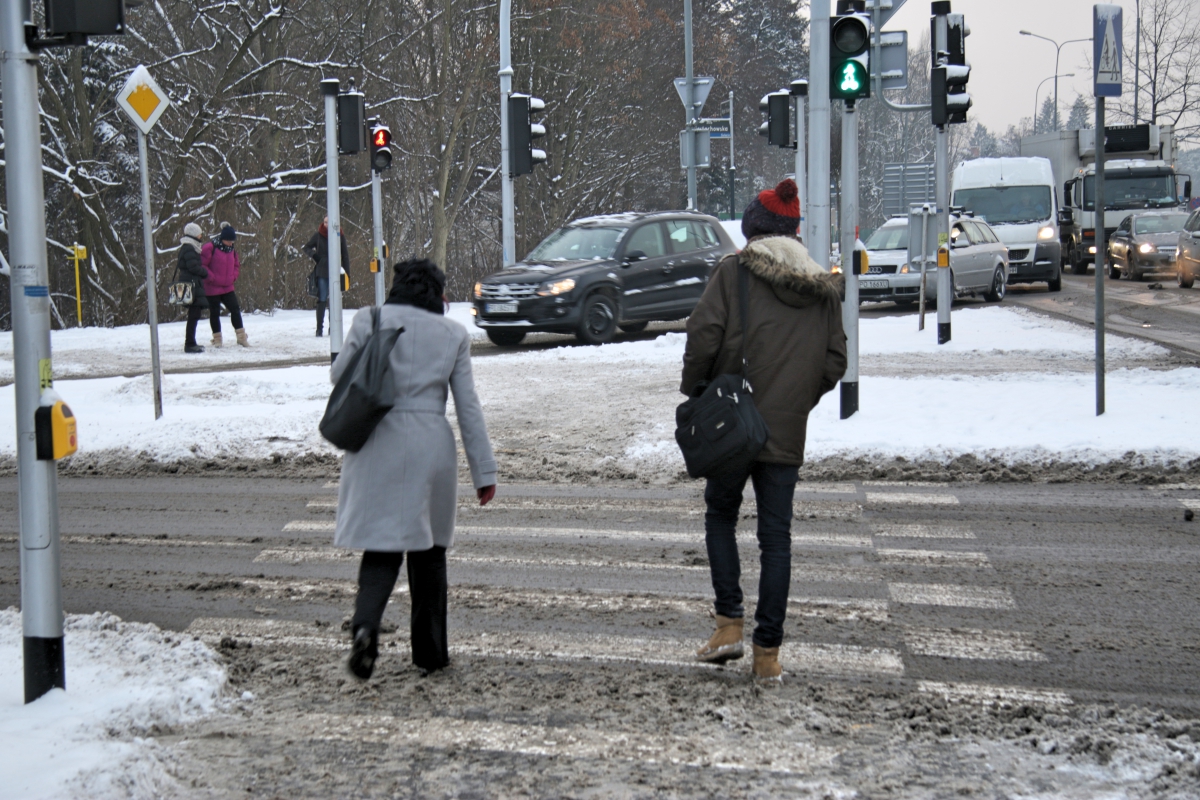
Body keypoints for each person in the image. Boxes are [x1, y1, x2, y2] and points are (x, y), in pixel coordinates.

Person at [681, 178, 847, 685]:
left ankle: (729, 624)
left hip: (733, 423)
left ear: (754, 232)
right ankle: (767, 655)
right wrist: (795, 401)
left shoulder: (733, 273)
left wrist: (697, 389)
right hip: (785, 432)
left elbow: (703, 333)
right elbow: (835, 361)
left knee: (720, 516)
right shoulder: (822, 287)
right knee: (776, 540)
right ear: (794, 234)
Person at [332, 258, 496, 680]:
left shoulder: (371, 318)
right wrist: (484, 472)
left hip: (378, 439)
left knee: (382, 546)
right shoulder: (453, 334)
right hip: (430, 443)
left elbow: (340, 375)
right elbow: (468, 406)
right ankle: (430, 653)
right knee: (429, 552)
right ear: (438, 296)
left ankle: (366, 627)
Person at [202, 223, 248, 347]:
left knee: (235, 309)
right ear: (223, 239)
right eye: (229, 241)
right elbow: (202, 265)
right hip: (212, 287)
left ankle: (241, 337)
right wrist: (211, 278)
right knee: (214, 312)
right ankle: (217, 339)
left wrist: (233, 276)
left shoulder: (232, 250)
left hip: (228, 286)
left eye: (233, 241)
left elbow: (236, 265)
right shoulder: (210, 248)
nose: (231, 243)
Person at [303, 217, 350, 337]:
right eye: (325, 222)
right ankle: (319, 328)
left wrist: (347, 273)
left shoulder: (340, 235)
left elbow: (345, 255)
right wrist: (315, 256)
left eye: (328, 222)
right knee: (322, 298)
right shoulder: (318, 235)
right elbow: (306, 247)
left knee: (334, 300)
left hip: (336, 271)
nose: (326, 225)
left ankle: (333, 327)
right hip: (322, 270)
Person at [178, 222, 209, 354]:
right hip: (191, 285)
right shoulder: (189, 248)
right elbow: (193, 267)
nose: (201, 236)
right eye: (199, 234)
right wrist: (204, 272)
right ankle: (189, 343)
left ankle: (191, 342)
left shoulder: (188, 247)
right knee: (193, 315)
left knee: (194, 314)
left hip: (190, 284)